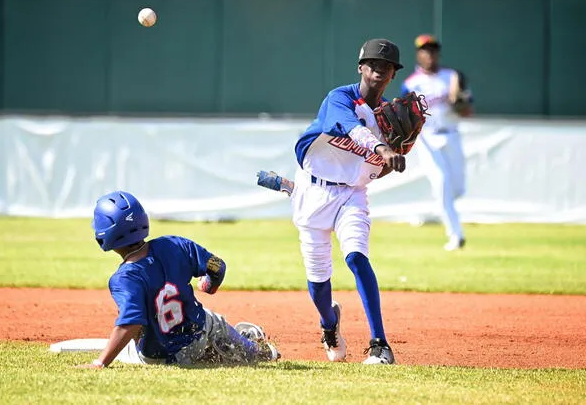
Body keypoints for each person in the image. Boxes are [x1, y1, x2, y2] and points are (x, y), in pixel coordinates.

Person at [290, 38, 412, 365]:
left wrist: (393, 158)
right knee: (318, 283)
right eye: (372, 65)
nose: (378, 71)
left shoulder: (389, 118)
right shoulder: (339, 98)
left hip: (351, 195)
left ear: (392, 76)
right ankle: (329, 324)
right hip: (312, 191)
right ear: (361, 68)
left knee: (357, 257)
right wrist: (383, 149)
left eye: (385, 68)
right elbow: (350, 127)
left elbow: (376, 171)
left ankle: (380, 344)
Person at [77, 191, 279, 369]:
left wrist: (100, 362)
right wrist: (209, 285)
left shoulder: (123, 278)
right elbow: (218, 265)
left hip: (159, 358)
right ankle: (255, 351)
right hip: (196, 337)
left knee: (138, 341)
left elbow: (131, 323)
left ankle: (220, 354)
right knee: (211, 320)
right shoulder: (175, 244)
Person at [401, 34, 474, 251]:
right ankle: (456, 235)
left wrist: (458, 101)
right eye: (425, 50)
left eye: (433, 49)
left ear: (438, 53)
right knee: (442, 184)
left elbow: (468, 111)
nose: (429, 54)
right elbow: (405, 115)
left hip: (452, 134)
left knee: (458, 189)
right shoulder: (411, 84)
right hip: (427, 138)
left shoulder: (452, 77)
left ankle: (436, 210)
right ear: (418, 54)